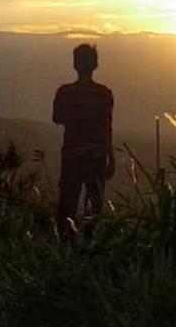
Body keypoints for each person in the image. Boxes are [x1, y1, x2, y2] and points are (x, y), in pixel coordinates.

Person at [52, 43, 114, 231]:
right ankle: (91, 243)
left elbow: (57, 118)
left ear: (75, 64)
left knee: (68, 201)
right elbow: (106, 127)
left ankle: (65, 241)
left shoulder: (64, 93)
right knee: (94, 203)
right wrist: (111, 156)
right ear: (95, 65)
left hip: (72, 153)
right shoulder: (104, 94)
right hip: (96, 154)